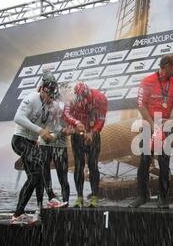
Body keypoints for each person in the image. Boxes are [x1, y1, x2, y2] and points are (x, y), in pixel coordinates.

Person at [129, 54, 173, 209]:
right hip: (149, 125)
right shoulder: (147, 81)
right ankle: (142, 196)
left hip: (166, 125)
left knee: (164, 163)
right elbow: (141, 105)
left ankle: (163, 198)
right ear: (165, 66)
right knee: (144, 162)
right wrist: (153, 125)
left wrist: (170, 121)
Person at [11, 71, 58, 224]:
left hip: (31, 142)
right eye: (49, 95)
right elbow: (18, 118)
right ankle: (50, 198)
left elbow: (46, 127)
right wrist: (40, 131)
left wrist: (48, 135)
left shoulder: (47, 105)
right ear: (43, 89)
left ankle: (25, 212)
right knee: (38, 169)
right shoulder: (31, 98)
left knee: (35, 176)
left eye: (52, 97)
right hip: (19, 140)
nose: (51, 99)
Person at [62, 82, 108, 208]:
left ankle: (94, 197)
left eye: (85, 100)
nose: (83, 103)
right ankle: (79, 197)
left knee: (93, 164)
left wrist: (93, 132)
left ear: (89, 94)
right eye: (80, 100)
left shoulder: (100, 97)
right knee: (79, 165)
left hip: (93, 132)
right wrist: (76, 122)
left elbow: (101, 119)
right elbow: (65, 115)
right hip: (78, 132)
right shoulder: (71, 99)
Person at [38, 94, 70, 209]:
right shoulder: (43, 104)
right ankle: (50, 199)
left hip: (59, 145)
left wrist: (60, 133)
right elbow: (39, 122)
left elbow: (68, 128)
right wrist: (38, 137)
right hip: (44, 142)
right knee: (44, 173)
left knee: (63, 176)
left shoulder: (67, 105)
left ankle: (65, 203)